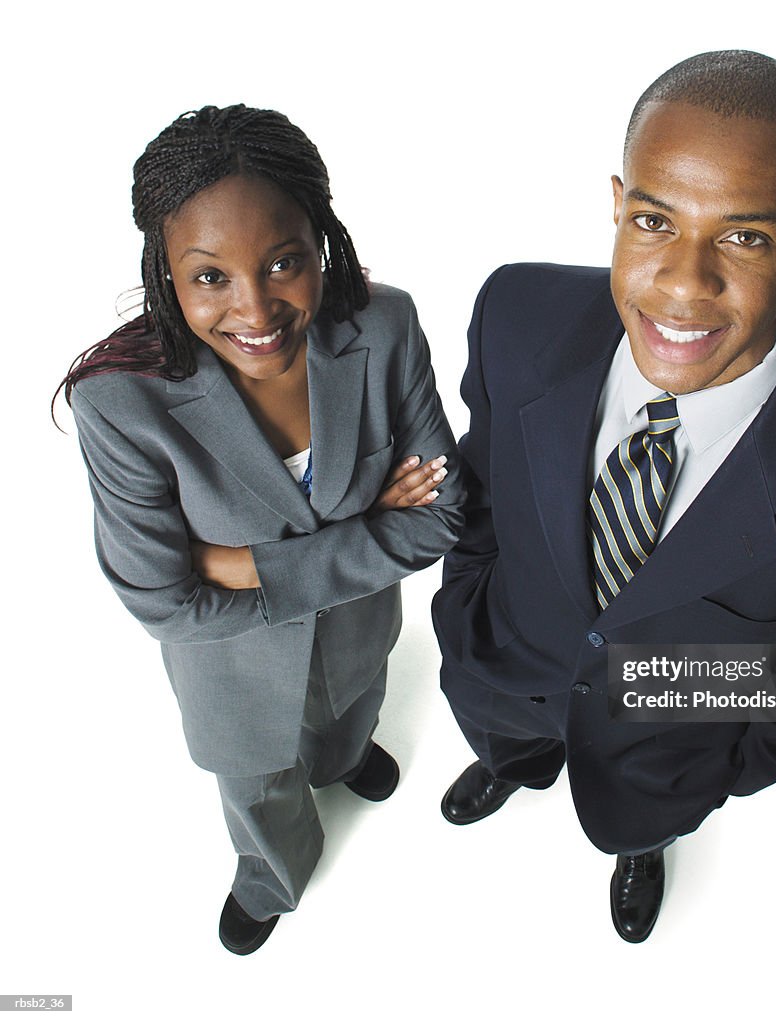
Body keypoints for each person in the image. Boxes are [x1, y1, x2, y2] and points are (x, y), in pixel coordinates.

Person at [431, 51, 776, 943]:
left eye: (746, 237)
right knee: (513, 742)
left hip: (662, 753)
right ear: (617, 204)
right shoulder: (514, 314)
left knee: (635, 815)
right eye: (654, 220)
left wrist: (723, 767)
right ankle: (515, 763)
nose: (683, 283)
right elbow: (481, 486)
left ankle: (640, 843)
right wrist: (468, 609)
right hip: (504, 667)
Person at [58, 105, 464, 955]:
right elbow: (163, 603)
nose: (256, 308)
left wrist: (248, 566)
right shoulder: (121, 402)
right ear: (164, 271)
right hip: (233, 674)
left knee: (351, 716)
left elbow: (446, 517)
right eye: (209, 277)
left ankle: (345, 761)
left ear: (322, 242)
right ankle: (270, 880)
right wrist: (364, 533)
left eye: (284, 262)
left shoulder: (383, 329)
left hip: (360, 632)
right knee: (260, 790)